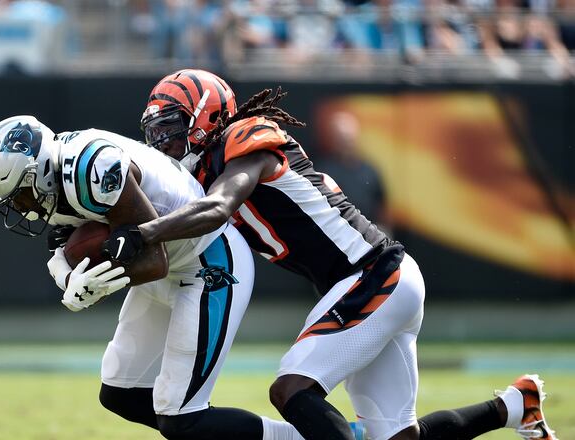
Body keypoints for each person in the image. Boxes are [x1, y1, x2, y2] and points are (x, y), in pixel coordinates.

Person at [103, 69, 558, 440]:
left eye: (172, 127)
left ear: (206, 118)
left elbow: (218, 208)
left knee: (291, 389)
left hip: (375, 275)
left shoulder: (245, 137)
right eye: (156, 131)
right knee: (397, 438)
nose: (162, 141)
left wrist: (141, 234)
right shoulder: (202, 173)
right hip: (371, 282)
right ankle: (514, 407)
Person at [0, 115, 307, 440]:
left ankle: (302, 437)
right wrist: (67, 280)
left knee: (182, 419)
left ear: (40, 168)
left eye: (20, 195)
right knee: (122, 393)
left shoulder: (91, 168)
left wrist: (95, 287)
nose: (21, 208)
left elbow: (152, 260)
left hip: (207, 261)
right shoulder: (56, 177)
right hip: (166, 265)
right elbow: (61, 249)